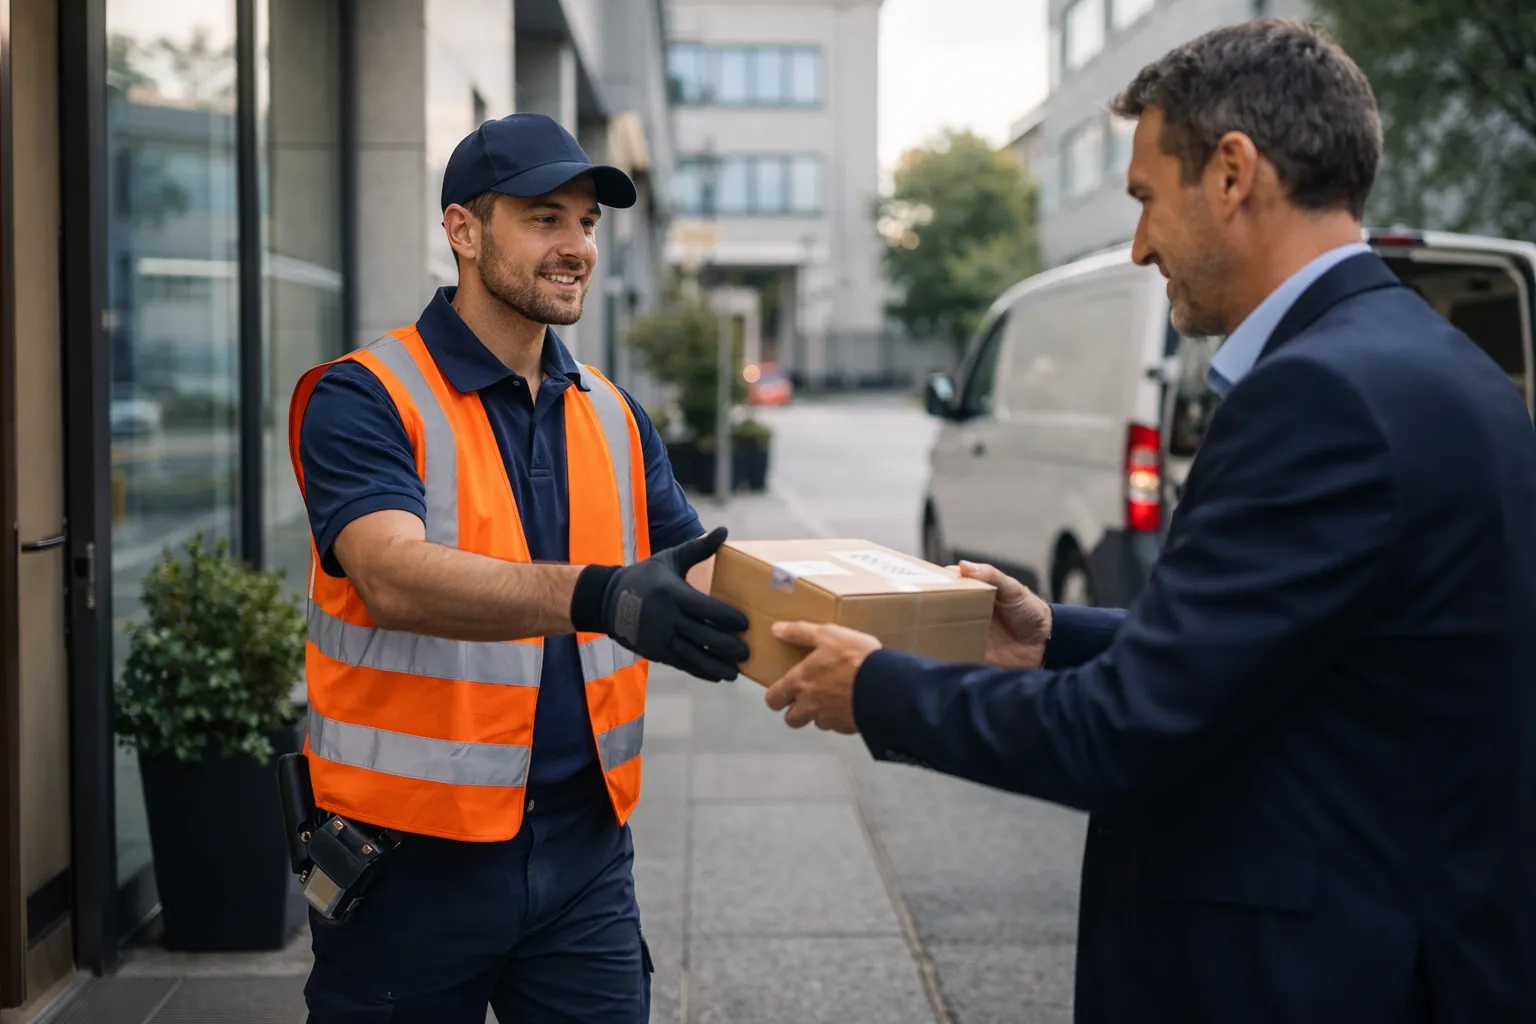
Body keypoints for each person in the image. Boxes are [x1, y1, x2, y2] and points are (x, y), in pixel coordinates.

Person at [760, 19, 1536, 1023]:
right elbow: (1292, 654)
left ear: (1230, 173)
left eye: (1143, 199)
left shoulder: (1320, 395)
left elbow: (1121, 734)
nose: (1137, 245)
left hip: (1319, 971)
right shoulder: (1446, 364)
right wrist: (1054, 639)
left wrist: (878, 689)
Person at [288, 112, 749, 1023]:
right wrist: (600, 595)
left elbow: (697, 573)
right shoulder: (361, 396)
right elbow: (391, 575)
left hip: (585, 852)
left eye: (586, 222)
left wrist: (878, 637)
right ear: (463, 230)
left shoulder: (611, 412)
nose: (576, 244)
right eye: (545, 218)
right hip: (407, 863)